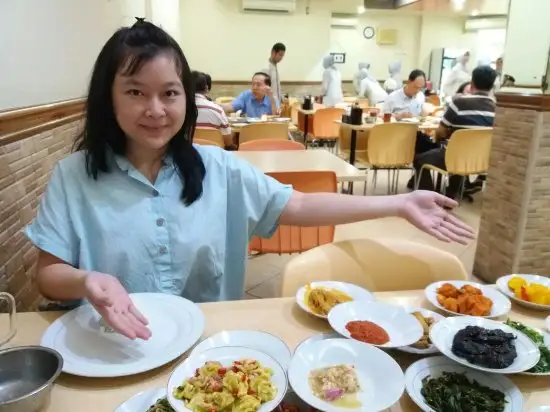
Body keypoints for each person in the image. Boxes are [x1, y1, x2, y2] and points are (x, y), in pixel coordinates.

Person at [24, 21, 474, 340]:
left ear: (186, 97)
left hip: (210, 347)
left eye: (170, 93)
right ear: (109, 97)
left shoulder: (219, 167)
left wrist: (395, 204)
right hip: (111, 346)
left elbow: (297, 205)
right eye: (136, 92)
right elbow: (49, 275)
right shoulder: (73, 176)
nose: (156, 110)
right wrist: (86, 282)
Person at [413, 65, 497, 199]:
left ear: (472, 82)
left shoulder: (459, 102)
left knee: (419, 159)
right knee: (460, 153)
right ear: (492, 86)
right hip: (480, 160)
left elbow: (440, 131)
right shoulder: (496, 108)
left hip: (455, 157)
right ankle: (451, 194)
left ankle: (429, 197)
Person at [192, 71, 235, 149]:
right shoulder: (217, 109)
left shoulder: (180, 108)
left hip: (185, 155)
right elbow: (228, 142)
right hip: (214, 154)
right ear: (206, 88)